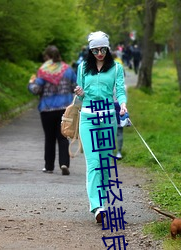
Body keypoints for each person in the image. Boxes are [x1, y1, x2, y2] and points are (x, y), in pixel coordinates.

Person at [74, 31, 127, 223]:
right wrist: (79, 92)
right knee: (94, 163)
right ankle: (97, 206)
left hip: (107, 119)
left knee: (105, 164)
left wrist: (122, 104)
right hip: (88, 118)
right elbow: (80, 97)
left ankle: (103, 201)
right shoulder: (82, 68)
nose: (99, 53)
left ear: (108, 48)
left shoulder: (116, 68)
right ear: (90, 50)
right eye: (95, 50)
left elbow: (120, 90)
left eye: (103, 49)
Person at [28, 45, 77, 175]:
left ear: (47, 57)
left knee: (49, 138)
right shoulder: (68, 70)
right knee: (63, 137)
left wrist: (31, 83)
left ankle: (49, 166)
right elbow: (75, 87)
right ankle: (64, 163)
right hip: (64, 109)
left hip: (47, 109)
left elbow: (36, 90)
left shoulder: (43, 71)